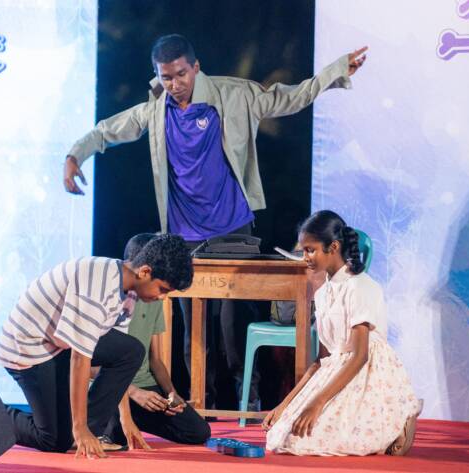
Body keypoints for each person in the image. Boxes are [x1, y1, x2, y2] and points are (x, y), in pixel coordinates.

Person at [63, 33, 368, 411]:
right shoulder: (156, 110)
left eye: (181, 74)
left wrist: (336, 71)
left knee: (233, 325)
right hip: (182, 236)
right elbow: (109, 129)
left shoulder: (233, 95)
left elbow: (288, 97)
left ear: (195, 67)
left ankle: (247, 402)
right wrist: (75, 155)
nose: (174, 84)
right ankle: (198, 405)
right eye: (166, 77)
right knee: (194, 330)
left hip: (232, 229)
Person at [0, 234, 193, 460]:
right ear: (145, 272)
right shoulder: (98, 284)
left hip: (58, 343)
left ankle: (84, 431)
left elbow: (117, 357)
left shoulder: (129, 292)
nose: (162, 298)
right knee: (53, 440)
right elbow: (80, 358)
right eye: (163, 289)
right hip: (28, 347)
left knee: (132, 350)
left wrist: (126, 419)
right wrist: (79, 428)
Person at [264, 210, 422, 456]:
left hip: (365, 371)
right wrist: (285, 404)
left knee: (309, 441)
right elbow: (320, 361)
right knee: (281, 437)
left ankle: (401, 417)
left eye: (310, 250)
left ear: (333, 247)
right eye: (303, 251)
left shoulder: (359, 287)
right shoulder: (322, 294)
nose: (305, 257)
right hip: (334, 371)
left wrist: (318, 403)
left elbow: (360, 356)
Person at [99, 233, 211, 450]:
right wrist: (134, 393)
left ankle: (132, 418)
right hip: (112, 387)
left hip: (144, 385)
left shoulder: (154, 299)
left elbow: (156, 359)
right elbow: (94, 364)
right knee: (116, 437)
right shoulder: (113, 298)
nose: (162, 295)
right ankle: (115, 422)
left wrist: (171, 394)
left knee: (197, 431)